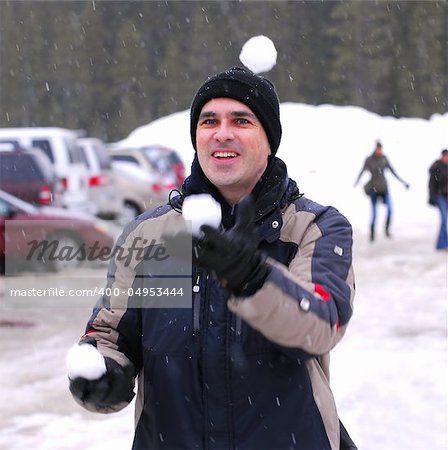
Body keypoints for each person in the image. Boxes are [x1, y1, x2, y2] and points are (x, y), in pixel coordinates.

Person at [68, 67, 357, 449]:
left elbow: (320, 327)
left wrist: (253, 279)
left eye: (241, 120)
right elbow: (112, 337)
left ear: (269, 140)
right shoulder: (149, 234)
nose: (222, 132)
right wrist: (104, 376)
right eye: (209, 121)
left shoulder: (314, 227)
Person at [354, 141, 409, 241]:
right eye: (378, 148)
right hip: (373, 188)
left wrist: (403, 182)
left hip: (384, 188)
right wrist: (356, 182)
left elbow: (393, 171)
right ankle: (372, 233)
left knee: (390, 209)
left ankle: (387, 229)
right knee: (374, 212)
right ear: (375, 148)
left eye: (380, 149)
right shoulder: (369, 159)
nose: (379, 150)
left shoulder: (384, 158)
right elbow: (362, 171)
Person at [428, 149, 448, 250]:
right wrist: (431, 197)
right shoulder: (437, 167)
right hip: (440, 196)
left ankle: (441, 244)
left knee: (445, 221)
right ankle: (443, 244)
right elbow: (431, 184)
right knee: (444, 219)